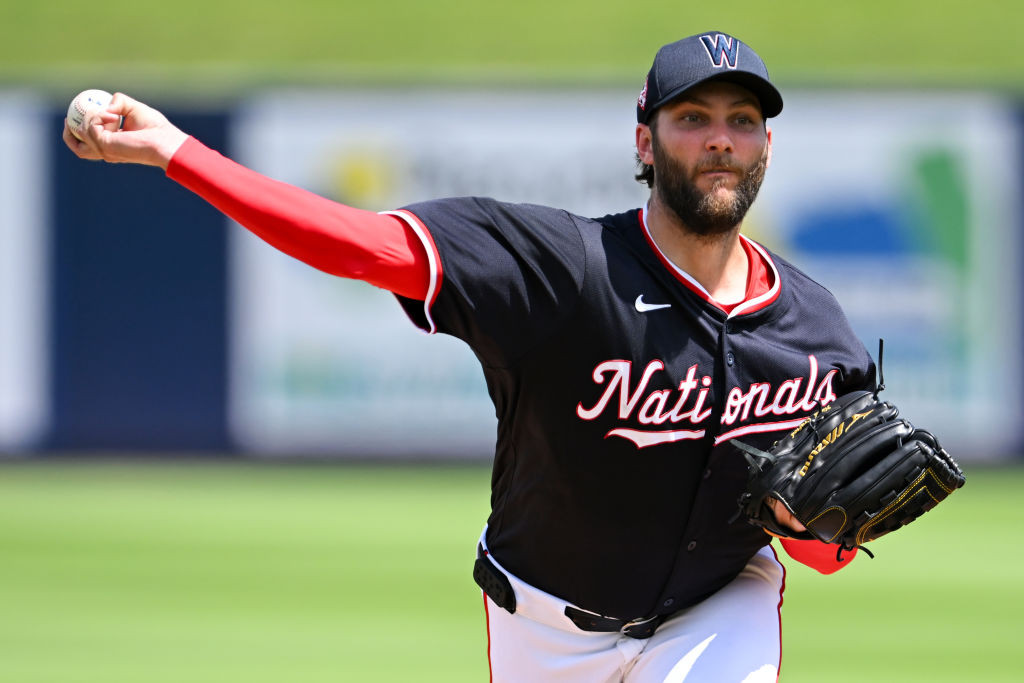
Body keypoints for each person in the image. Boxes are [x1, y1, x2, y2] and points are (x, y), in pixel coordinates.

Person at [65, 31, 875, 683]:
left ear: (767, 144)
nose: (721, 139)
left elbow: (822, 551)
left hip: (718, 609)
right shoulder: (564, 269)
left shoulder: (814, 330)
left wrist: (811, 528)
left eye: (742, 119)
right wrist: (178, 151)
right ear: (645, 140)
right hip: (543, 624)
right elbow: (360, 245)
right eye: (693, 117)